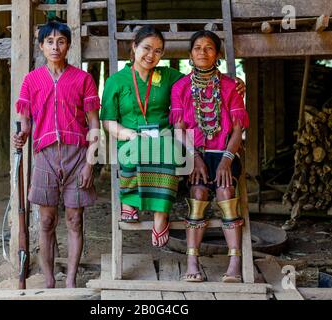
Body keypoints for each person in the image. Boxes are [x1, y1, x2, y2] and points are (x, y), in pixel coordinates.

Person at [101, 26, 246, 249]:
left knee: (167, 148)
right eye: (146, 48)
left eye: (158, 51)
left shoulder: (168, 76)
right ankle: (130, 200)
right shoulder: (116, 81)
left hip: (165, 139)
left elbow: (199, 79)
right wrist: (127, 133)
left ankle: (161, 215)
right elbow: (107, 120)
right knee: (141, 146)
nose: (151, 55)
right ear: (134, 47)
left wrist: (234, 83)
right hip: (130, 139)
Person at [12, 21, 100, 288]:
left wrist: (90, 163)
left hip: (78, 156)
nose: (55, 46)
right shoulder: (31, 80)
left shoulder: (83, 79)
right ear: (41, 46)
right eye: (49, 41)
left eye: (61, 41)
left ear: (68, 46)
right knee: (47, 221)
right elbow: (24, 121)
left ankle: (71, 280)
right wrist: (21, 135)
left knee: (75, 219)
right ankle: (49, 281)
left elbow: (94, 124)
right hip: (46, 156)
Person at [170, 30, 249, 283]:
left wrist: (227, 159)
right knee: (198, 194)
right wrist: (193, 157)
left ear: (217, 54)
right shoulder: (180, 87)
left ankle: (234, 262)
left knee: (226, 191)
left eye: (209, 48)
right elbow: (178, 130)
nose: (202, 52)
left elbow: (238, 130)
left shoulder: (229, 86)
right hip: (195, 153)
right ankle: (192, 261)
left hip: (225, 152)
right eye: (197, 48)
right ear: (190, 54)